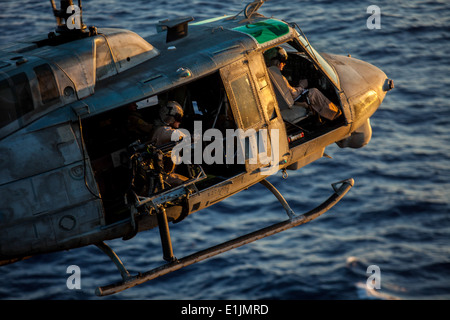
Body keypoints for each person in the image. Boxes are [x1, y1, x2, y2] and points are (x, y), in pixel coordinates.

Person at [266, 47, 341, 122]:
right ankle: (336, 114)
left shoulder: (268, 75)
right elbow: (293, 94)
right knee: (313, 92)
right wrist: (301, 86)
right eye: (282, 62)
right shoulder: (277, 77)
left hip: (282, 103)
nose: (284, 64)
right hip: (292, 102)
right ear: (276, 62)